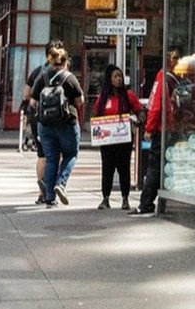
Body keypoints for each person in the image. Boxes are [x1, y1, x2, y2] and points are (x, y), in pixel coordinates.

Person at [25, 42, 83, 207]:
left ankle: (50, 198)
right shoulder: (70, 78)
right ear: (65, 62)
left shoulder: (43, 77)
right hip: (67, 123)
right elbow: (79, 101)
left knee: (51, 159)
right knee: (71, 154)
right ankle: (61, 183)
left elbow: (33, 102)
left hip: (45, 125)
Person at [88, 63, 142, 210]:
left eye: (120, 76)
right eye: (116, 76)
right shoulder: (103, 98)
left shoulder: (129, 95)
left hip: (123, 140)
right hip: (107, 142)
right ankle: (105, 198)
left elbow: (140, 112)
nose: (119, 79)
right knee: (107, 169)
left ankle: (125, 198)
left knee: (124, 168)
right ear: (109, 79)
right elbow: (95, 115)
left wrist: (135, 120)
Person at [137, 54, 174, 217]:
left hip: (161, 129)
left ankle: (145, 202)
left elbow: (156, 105)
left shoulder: (162, 76)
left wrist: (149, 128)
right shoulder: (175, 77)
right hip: (172, 128)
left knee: (154, 166)